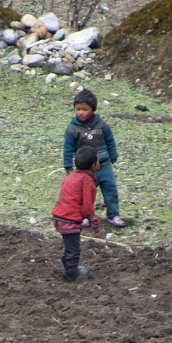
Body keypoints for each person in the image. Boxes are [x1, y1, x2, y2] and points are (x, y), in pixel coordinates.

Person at [63, 89, 125, 228]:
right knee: (86, 193)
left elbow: (110, 140)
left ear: (92, 109)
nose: (81, 112)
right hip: (86, 169)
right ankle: (84, 216)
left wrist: (113, 155)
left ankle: (113, 214)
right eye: (78, 109)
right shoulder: (73, 128)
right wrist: (68, 167)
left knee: (110, 189)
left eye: (85, 109)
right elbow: (68, 148)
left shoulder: (101, 125)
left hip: (103, 165)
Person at [52, 146, 101, 281]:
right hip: (69, 220)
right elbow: (87, 207)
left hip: (59, 216)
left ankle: (68, 264)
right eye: (98, 160)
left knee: (70, 244)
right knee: (74, 248)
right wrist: (93, 220)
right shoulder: (87, 182)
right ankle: (71, 272)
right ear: (93, 165)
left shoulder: (71, 176)